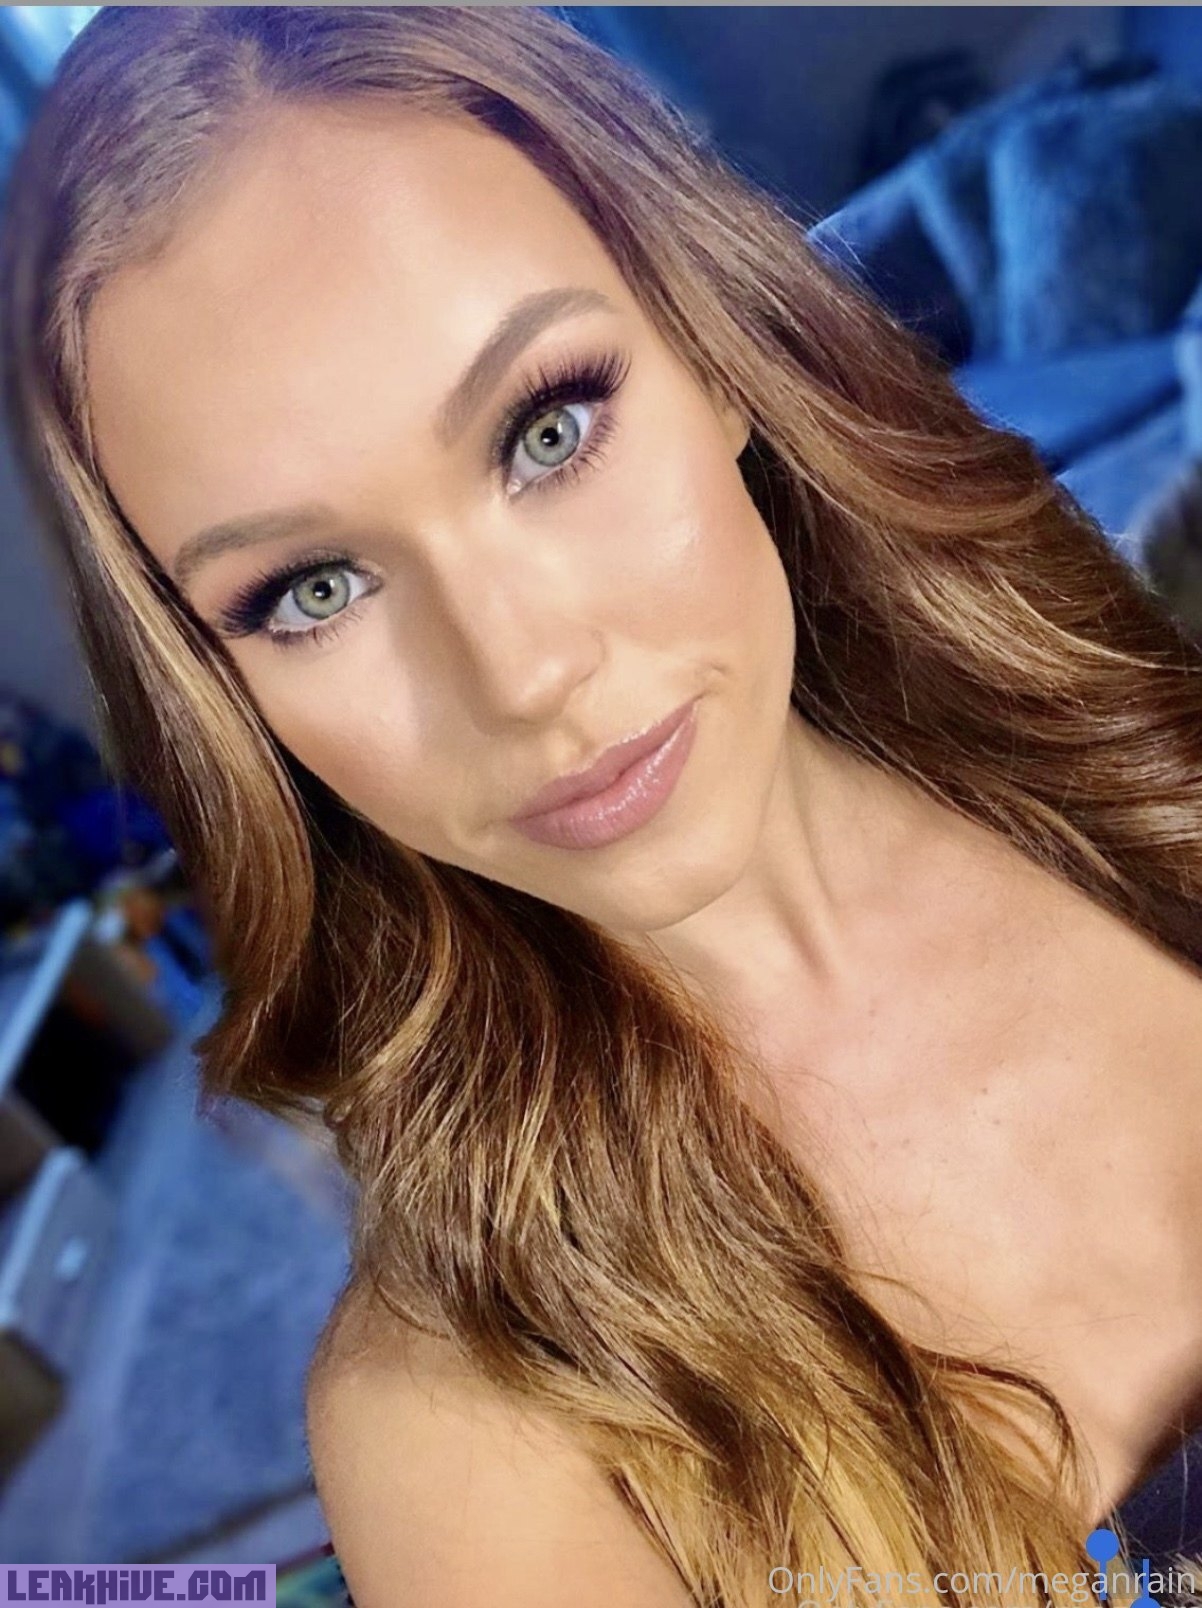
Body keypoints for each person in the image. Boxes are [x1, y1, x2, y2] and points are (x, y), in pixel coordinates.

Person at [2, 8, 1202, 1604]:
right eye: (312, 589)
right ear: (223, 697)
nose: (523, 674)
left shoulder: (1146, 749)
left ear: (711, 354)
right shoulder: (468, 1441)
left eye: (546, 430)